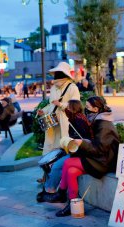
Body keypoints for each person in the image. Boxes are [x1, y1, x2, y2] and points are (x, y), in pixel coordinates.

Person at [51, 96, 120, 217]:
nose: (85, 110)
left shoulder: (103, 124)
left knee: (68, 163)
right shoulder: (98, 119)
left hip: (103, 162)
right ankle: (73, 204)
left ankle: (61, 193)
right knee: (72, 171)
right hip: (99, 159)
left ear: (95, 108)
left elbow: (99, 149)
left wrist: (81, 143)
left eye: (87, 107)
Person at [36, 61, 80, 199]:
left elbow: (76, 105)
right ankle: (47, 176)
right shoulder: (54, 88)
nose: (55, 76)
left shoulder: (72, 87)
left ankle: (58, 179)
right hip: (53, 120)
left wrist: (61, 104)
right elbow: (51, 105)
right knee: (50, 147)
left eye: (57, 73)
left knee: (63, 148)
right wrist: (43, 111)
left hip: (65, 121)